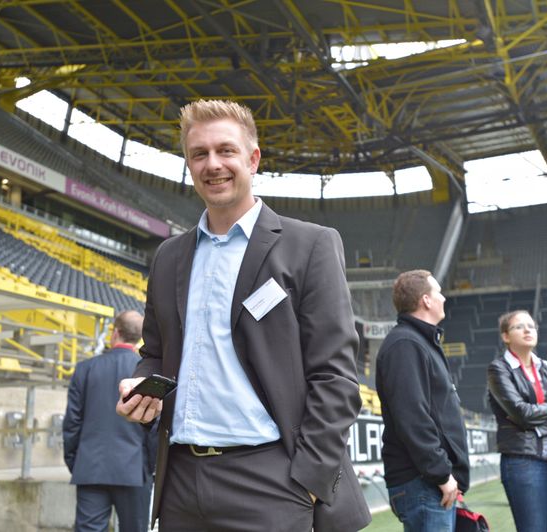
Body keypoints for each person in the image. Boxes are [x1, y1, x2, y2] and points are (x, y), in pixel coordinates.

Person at [116, 99, 371, 532]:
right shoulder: (169, 257)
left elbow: (337, 376)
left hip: (271, 480)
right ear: (189, 164)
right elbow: (155, 352)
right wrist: (143, 382)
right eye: (199, 154)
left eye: (225, 150)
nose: (213, 164)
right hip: (180, 481)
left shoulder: (310, 246)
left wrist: (307, 478)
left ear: (253, 159)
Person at [376, 269, 470, 532]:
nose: (444, 298)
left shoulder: (418, 342)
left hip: (429, 482)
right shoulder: (405, 344)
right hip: (423, 482)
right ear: (426, 300)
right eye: (439, 292)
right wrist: (441, 474)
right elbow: (413, 418)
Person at [487, 310, 547, 532]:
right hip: (524, 461)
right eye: (519, 326)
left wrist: (538, 426)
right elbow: (522, 414)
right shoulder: (498, 369)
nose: (527, 330)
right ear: (506, 336)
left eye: (531, 326)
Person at [63, 310, 156, 532]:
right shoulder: (144, 374)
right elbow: (153, 426)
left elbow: (72, 423)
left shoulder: (85, 368)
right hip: (135, 470)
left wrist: (75, 461)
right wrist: (149, 468)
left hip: (90, 468)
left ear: (115, 334)